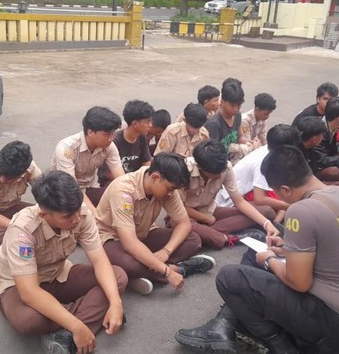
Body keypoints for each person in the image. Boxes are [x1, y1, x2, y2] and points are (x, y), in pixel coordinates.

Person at [175, 146, 339, 353]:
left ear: (286, 190)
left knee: (229, 277)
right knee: (257, 248)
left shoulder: (301, 210)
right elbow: (329, 247)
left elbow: (299, 283)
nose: (281, 200)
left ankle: (280, 346)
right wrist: (285, 250)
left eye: (279, 193)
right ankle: (222, 326)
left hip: (332, 320)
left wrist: (269, 260)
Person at [0, 171, 127, 354]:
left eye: (77, 211)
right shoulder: (22, 231)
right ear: (44, 215)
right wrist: (77, 326)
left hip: (59, 274)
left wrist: (115, 302)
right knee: (29, 321)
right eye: (67, 217)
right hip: (19, 285)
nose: (76, 219)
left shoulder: (80, 213)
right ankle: (86, 316)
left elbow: (100, 261)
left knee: (118, 276)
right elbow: (29, 292)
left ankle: (65, 329)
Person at [96, 153, 215, 296]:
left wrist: (166, 251)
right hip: (112, 239)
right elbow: (129, 243)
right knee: (129, 263)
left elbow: (184, 223)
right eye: (170, 188)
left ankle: (139, 275)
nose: (171, 194)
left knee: (193, 239)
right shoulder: (123, 190)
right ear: (155, 177)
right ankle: (179, 269)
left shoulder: (167, 188)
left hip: (143, 234)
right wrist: (168, 271)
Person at [177, 140, 279, 249]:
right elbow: (179, 208)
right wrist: (206, 218)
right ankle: (229, 237)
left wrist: (267, 224)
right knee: (212, 238)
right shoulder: (183, 170)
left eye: (222, 171)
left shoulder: (226, 167)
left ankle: (207, 234)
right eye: (216, 173)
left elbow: (239, 202)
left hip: (210, 210)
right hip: (184, 216)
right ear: (201, 167)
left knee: (267, 212)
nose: (220, 174)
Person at [50, 107, 124, 211]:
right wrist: (94, 215)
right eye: (106, 134)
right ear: (90, 132)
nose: (111, 139)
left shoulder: (109, 146)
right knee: (85, 218)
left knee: (121, 199)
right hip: (64, 193)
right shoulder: (66, 148)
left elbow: (121, 178)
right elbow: (72, 189)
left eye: (113, 134)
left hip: (89, 188)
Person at [216, 124, 299, 217]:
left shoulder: (270, 151)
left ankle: (276, 223)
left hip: (247, 191)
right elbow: (259, 199)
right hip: (231, 200)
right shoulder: (264, 161)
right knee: (269, 211)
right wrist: (291, 206)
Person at [99, 100, 154, 185]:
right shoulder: (114, 141)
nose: (150, 125)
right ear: (135, 124)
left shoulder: (142, 137)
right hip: (114, 182)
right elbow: (108, 173)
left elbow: (146, 163)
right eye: (147, 122)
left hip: (134, 180)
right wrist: (132, 182)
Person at [205, 78, 249, 163]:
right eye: (232, 105)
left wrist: (249, 143)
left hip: (232, 159)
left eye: (239, 105)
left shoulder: (237, 116)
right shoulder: (214, 124)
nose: (236, 109)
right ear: (222, 102)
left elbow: (240, 137)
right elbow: (213, 154)